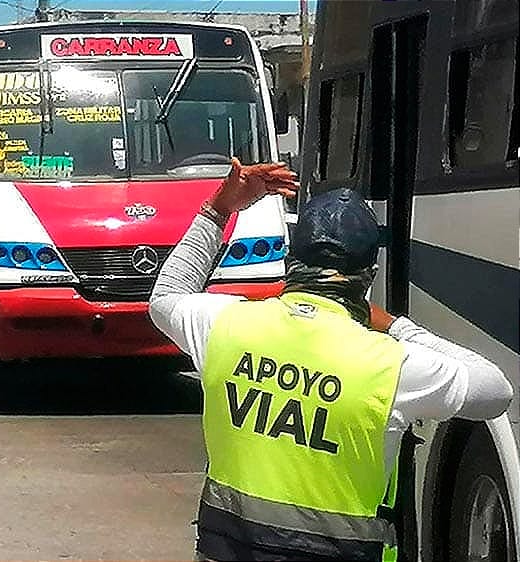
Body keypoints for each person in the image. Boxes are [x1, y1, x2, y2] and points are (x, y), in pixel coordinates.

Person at [149, 159, 514, 562]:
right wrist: (395, 325)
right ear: (368, 276)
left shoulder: (226, 326)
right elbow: (495, 390)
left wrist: (218, 209)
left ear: (292, 262)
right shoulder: (389, 366)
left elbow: (166, 296)